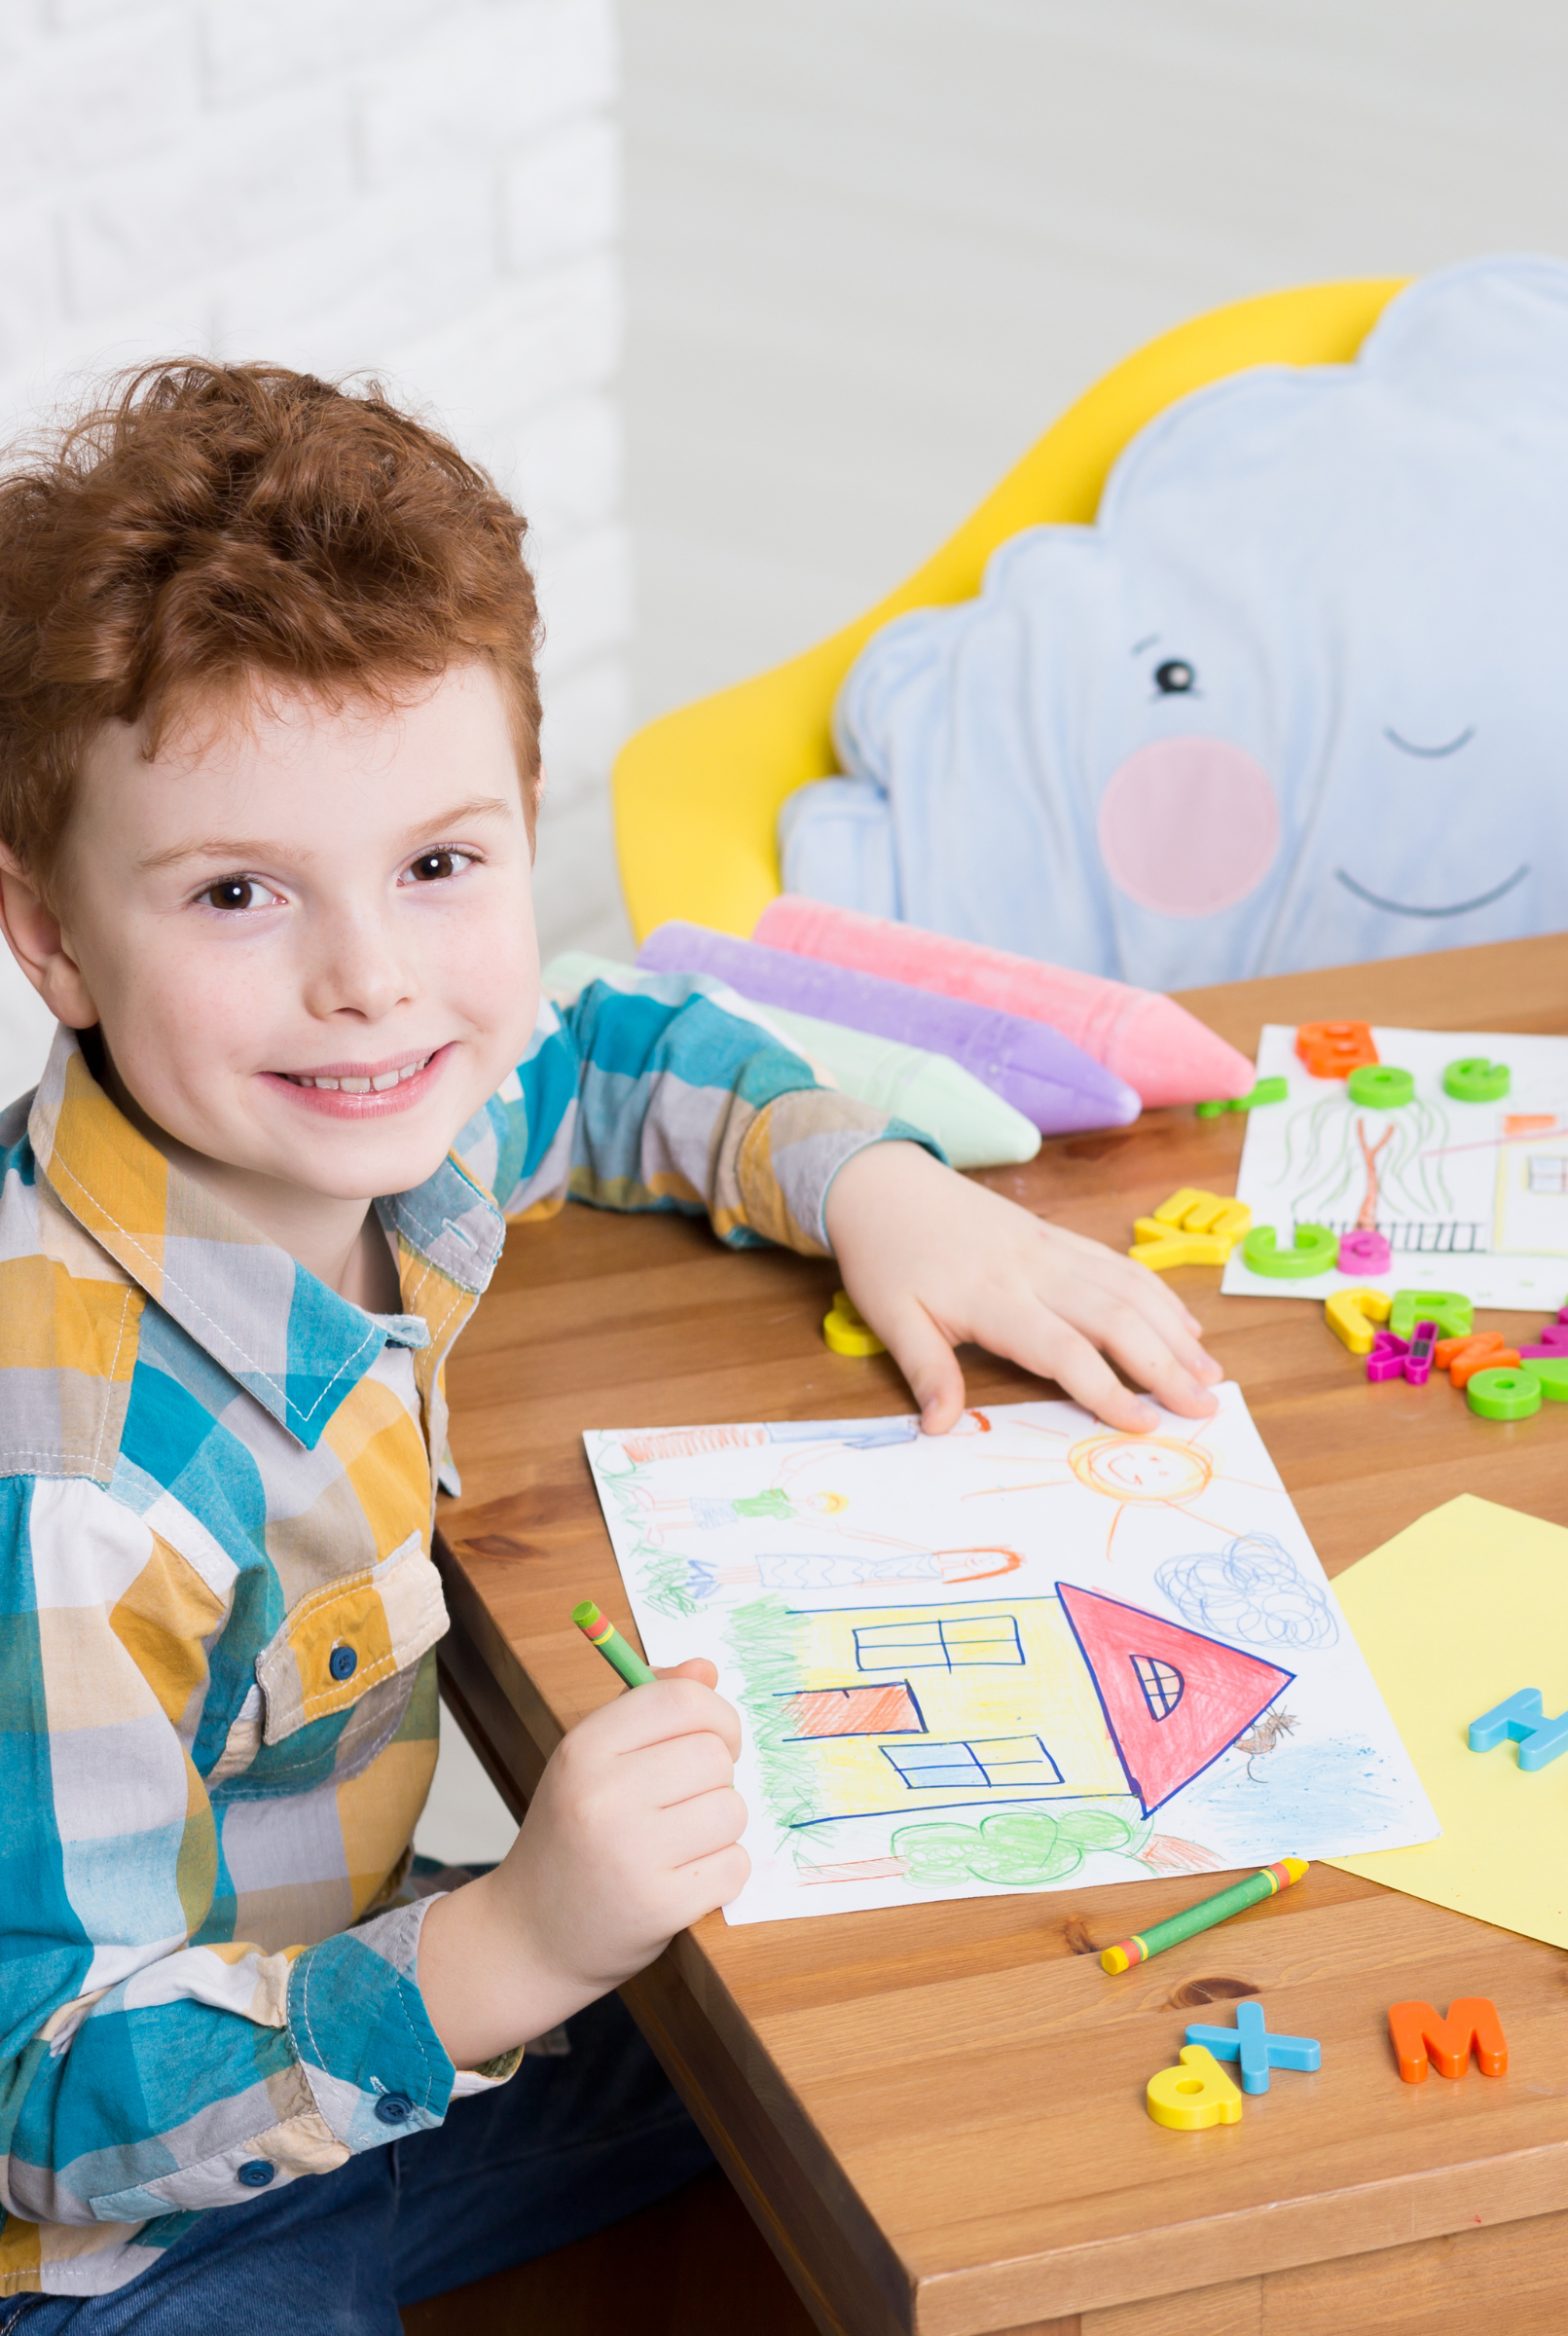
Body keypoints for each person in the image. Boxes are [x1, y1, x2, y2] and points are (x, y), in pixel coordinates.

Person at [0, 362, 1222, 2326]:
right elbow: (47, 2103)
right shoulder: (67, 1498)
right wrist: (512, 1945)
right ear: (50, 936)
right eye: (238, 893)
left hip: (347, 2052)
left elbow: (611, 1048)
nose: (369, 974)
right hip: (103, 2243)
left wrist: (878, 1187)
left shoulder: (389, 1102)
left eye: (439, 864)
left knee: (871, 2052)